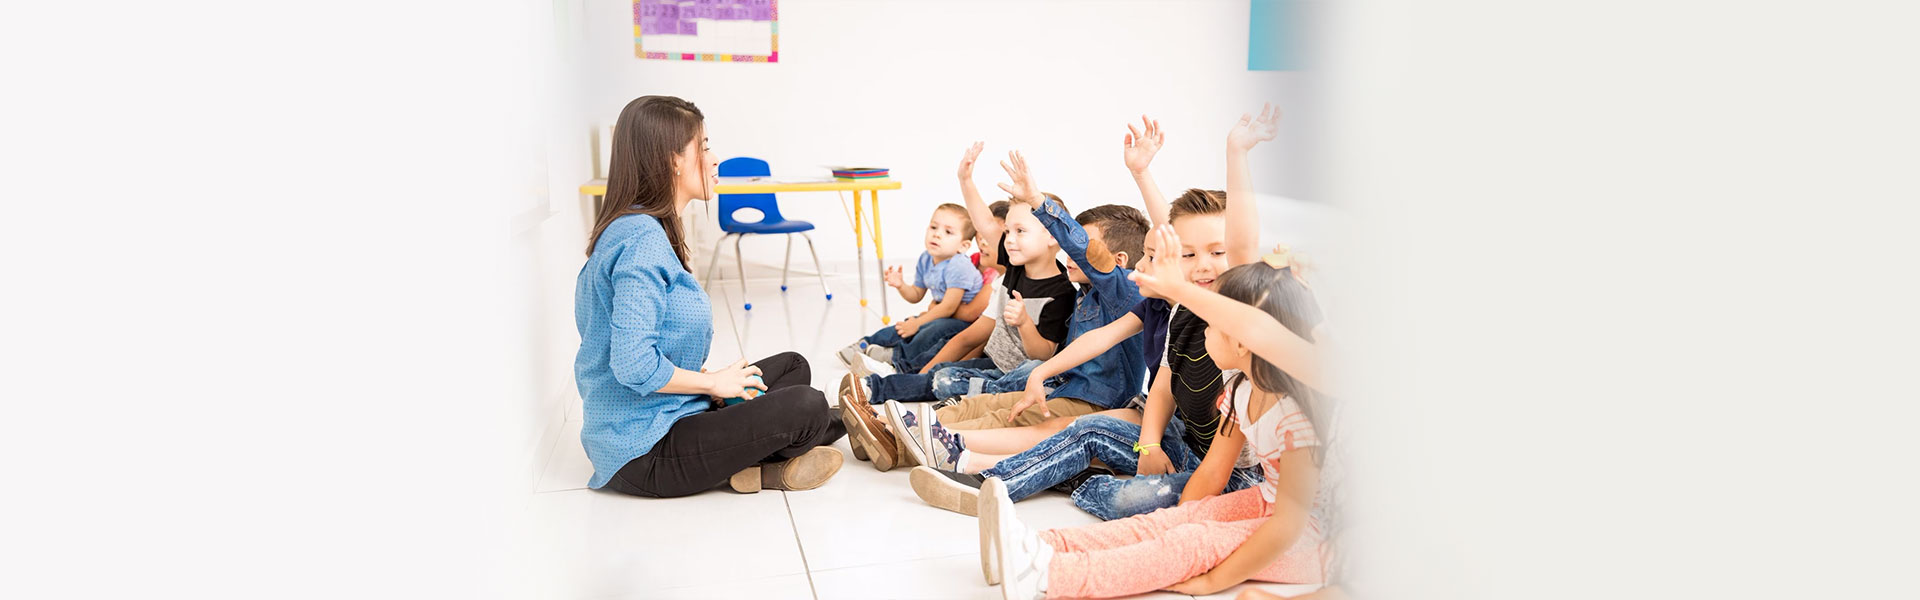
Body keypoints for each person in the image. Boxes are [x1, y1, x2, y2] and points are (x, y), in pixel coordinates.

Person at [574, 95, 844, 497]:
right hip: (644, 451)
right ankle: (831, 430)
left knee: (793, 367)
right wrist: (714, 384)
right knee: (807, 407)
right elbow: (632, 365)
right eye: (702, 146)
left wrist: (709, 384)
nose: (715, 158)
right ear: (672, 161)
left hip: (671, 412)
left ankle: (832, 425)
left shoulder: (642, 228)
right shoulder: (642, 244)